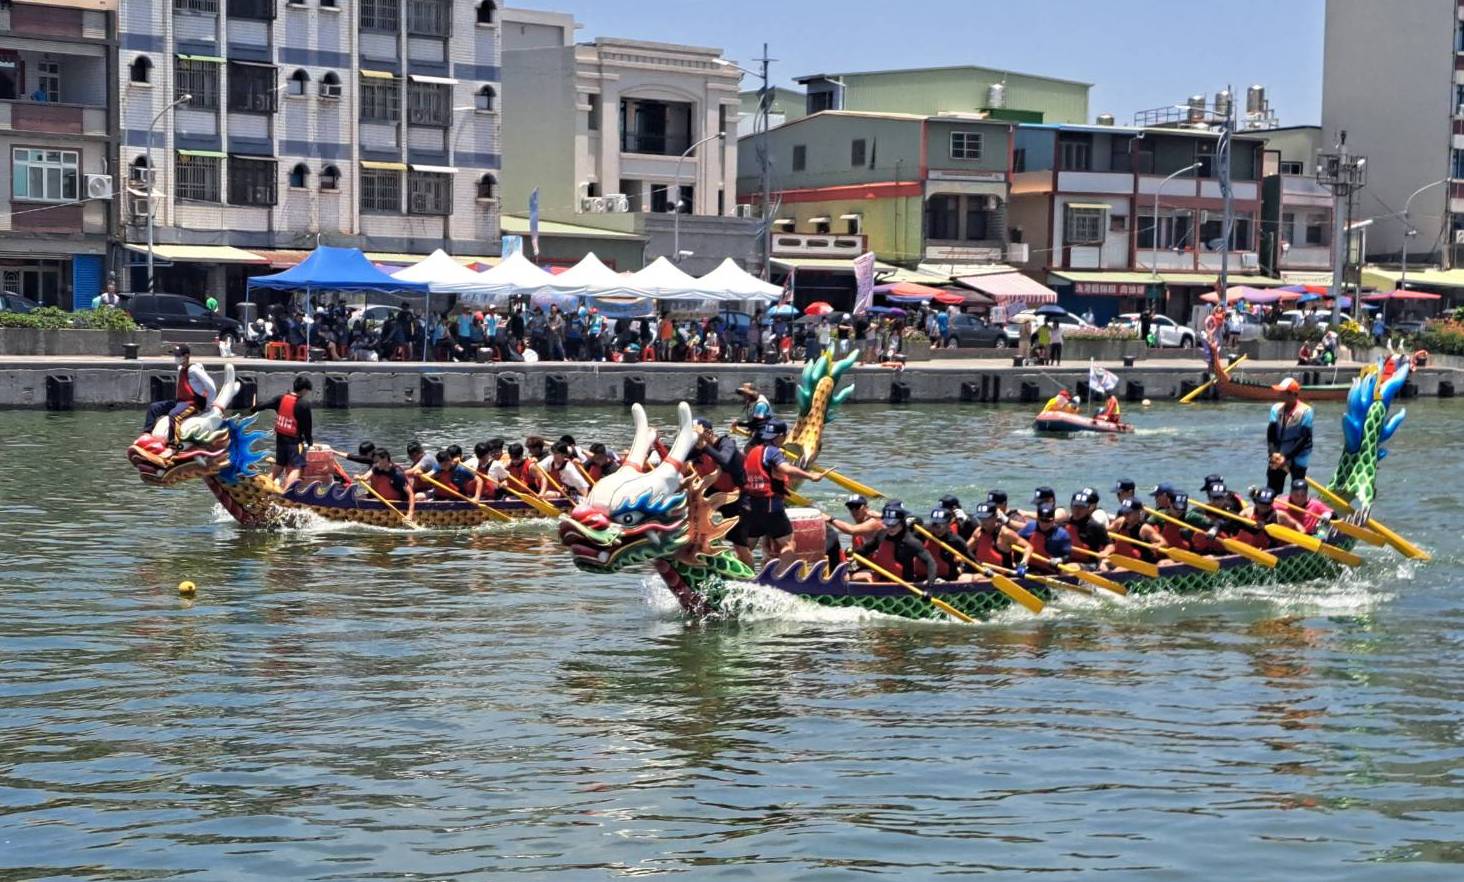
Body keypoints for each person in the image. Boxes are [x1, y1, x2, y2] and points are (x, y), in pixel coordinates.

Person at [741, 420, 826, 567]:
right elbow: (786, 468)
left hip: (751, 504)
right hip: (770, 505)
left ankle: (742, 574)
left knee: (747, 545)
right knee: (788, 544)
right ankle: (783, 575)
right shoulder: (773, 451)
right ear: (781, 436)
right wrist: (810, 476)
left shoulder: (753, 452)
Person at [690, 416, 753, 565]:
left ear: (708, 433)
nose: (694, 441)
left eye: (696, 436)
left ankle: (752, 575)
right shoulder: (699, 448)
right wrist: (657, 444)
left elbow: (724, 460)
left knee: (740, 545)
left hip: (738, 497)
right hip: (717, 495)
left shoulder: (726, 443)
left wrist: (704, 445)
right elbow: (678, 459)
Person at [143, 344, 218, 447]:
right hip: (179, 402)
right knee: (153, 408)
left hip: (191, 404)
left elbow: (211, 386)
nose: (176, 358)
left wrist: (208, 406)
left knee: (174, 415)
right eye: (175, 355)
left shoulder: (193, 370)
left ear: (186, 356)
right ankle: (147, 434)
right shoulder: (180, 369)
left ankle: (174, 443)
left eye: (178, 356)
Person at [250, 375, 314, 490]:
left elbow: (262, 406)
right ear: (304, 389)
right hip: (294, 441)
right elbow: (307, 428)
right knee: (297, 467)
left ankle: (263, 488)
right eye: (307, 391)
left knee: (279, 465)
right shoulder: (304, 404)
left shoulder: (280, 398)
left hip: (280, 439)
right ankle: (286, 492)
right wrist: (310, 443)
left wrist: (254, 408)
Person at [853, 500, 938, 584]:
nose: (890, 528)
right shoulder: (882, 534)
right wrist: (852, 556)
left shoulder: (911, 542)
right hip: (882, 577)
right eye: (887, 525)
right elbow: (864, 550)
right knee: (856, 577)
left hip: (903, 583)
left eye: (893, 525)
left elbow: (930, 562)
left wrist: (930, 584)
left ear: (902, 523)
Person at [1266, 377, 1313, 494]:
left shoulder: (1306, 411)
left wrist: (1286, 458)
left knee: (1298, 489)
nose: (1279, 394)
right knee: (1272, 486)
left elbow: (1304, 438)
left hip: (1298, 454)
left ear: (1291, 394)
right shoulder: (1276, 408)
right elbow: (1271, 434)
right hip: (1279, 453)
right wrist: (1273, 453)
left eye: (1281, 392)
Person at [359, 448, 416, 520]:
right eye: (374, 462)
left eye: (377, 461)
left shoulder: (397, 475)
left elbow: (410, 494)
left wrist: (410, 514)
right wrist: (359, 477)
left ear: (385, 459)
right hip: (378, 497)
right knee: (358, 498)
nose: (375, 464)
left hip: (397, 502)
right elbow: (365, 477)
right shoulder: (376, 468)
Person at [1017, 502, 1072, 575]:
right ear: (1037, 519)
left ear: (1053, 520)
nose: (1044, 524)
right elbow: (1015, 540)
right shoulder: (1029, 527)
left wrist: (1060, 559)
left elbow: (1067, 556)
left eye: (1048, 521)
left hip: (1049, 571)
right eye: (1042, 520)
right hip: (1029, 567)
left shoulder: (1062, 535)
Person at [966, 501, 1022, 571]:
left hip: (1002, 575)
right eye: (981, 518)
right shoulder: (978, 532)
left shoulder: (1005, 533)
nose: (983, 521)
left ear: (995, 517)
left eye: (986, 518)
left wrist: (1023, 565)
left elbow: (1028, 547)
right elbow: (965, 549)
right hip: (983, 571)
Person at [827, 494, 884, 560]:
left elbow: (851, 530)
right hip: (867, 562)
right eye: (851, 507)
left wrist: (830, 519)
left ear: (866, 508)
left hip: (881, 563)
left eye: (857, 506)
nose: (854, 510)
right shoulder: (858, 528)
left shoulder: (874, 521)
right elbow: (856, 551)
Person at [1066, 489, 1113, 565]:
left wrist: (1105, 552)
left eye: (1082, 507)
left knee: (1072, 566)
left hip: (1089, 564)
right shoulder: (1064, 523)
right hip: (1066, 560)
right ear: (1071, 506)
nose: (1078, 510)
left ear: (1088, 508)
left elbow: (1110, 545)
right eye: (1075, 506)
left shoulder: (1095, 526)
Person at [1109, 498, 1163, 563]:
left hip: (1142, 563)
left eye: (1128, 513)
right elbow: (1107, 532)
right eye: (1124, 512)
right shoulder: (1121, 521)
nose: (1125, 515)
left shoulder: (1144, 528)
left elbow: (1163, 542)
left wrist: (1158, 544)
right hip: (1123, 559)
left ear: (1138, 512)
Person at [921, 508, 970, 581]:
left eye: (941, 524)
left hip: (948, 579)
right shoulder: (922, 531)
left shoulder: (956, 540)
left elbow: (971, 559)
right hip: (923, 578)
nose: (938, 529)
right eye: (935, 524)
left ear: (949, 523)